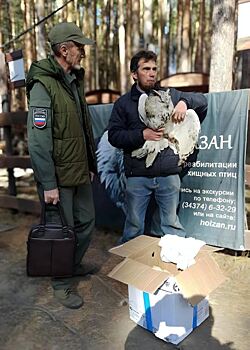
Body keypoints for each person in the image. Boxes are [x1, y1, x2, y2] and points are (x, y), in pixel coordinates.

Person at [26, 22, 96, 309]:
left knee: (87, 223)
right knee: (61, 232)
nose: (82, 51)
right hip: (58, 176)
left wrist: (90, 163)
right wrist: (49, 183)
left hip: (78, 170)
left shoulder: (73, 81)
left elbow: (82, 127)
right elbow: (38, 140)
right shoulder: (43, 85)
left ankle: (71, 265)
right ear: (64, 50)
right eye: (79, 46)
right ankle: (61, 284)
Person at [108, 50, 207, 243]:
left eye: (154, 69)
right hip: (137, 176)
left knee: (171, 225)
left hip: (168, 176)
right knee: (134, 226)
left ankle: (177, 265)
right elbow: (114, 135)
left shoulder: (169, 95)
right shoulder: (123, 104)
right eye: (146, 69)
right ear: (134, 74)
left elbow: (202, 101)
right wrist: (141, 135)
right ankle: (129, 268)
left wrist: (183, 103)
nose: (152, 73)